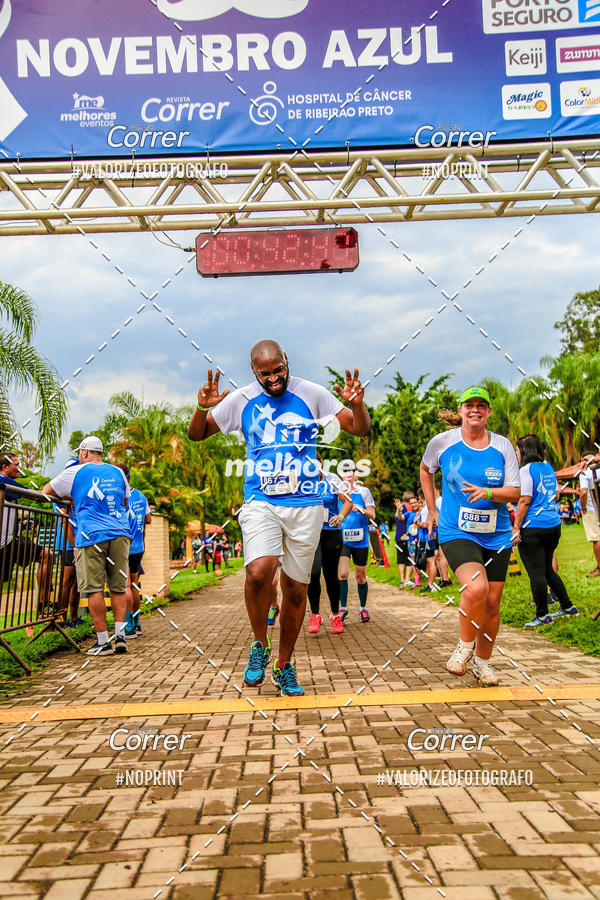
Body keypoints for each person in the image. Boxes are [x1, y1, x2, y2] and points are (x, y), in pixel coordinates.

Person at [187, 341, 370, 696]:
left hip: (306, 505)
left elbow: (358, 428)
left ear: (287, 362)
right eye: (265, 373)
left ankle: (284, 664)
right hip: (261, 500)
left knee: (296, 590)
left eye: (278, 370)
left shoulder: (312, 394)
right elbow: (198, 433)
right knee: (259, 571)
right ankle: (259, 645)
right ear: (254, 371)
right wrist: (201, 408)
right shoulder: (240, 399)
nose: (273, 379)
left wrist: (358, 405)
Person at [420, 386, 521, 686]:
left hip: (497, 533)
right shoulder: (442, 442)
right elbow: (426, 470)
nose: (475, 410)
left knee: (492, 602)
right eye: (469, 405)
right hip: (456, 530)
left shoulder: (502, 446)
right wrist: (431, 510)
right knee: (476, 589)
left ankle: (483, 662)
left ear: (489, 412)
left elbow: (515, 491)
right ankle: (465, 647)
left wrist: (488, 492)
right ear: (461, 410)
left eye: (481, 405)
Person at [42, 436, 131, 656]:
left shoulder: (74, 472)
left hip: (90, 535)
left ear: (83, 453)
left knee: (93, 588)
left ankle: (103, 641)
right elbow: (125, 502)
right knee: (118, 586)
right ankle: (120, 636)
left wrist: (74, 499)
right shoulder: (118, 472)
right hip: (120, 532)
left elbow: (46, 492)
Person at [512, 434, 576, 627]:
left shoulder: (526, 470)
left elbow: (524, 500)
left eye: (517, 449)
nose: (516, 453)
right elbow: (556, 494)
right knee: (548, 570)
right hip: (553, 525)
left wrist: (516, 527)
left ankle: (542, 614)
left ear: (525, 451)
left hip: (533, 527)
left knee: (536, 573)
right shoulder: (547, 466)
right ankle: (567, 606)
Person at [0, 453, 54, 609]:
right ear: (5, 467)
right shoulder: (3, 482)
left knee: (46, 555)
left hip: (10, 540)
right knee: (47, 556)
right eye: (16, 464)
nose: (20, 468)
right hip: (6, 542)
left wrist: (20, 523)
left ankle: (44, 603)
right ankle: (43, 604)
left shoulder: (7, 486)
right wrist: (55, 490)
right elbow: (36, 496)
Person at [307, 462, 353, 635]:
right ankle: (315, 614)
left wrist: (341, 516)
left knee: (330, 574)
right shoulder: (303, 481)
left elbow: (348, 502)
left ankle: (335, 615)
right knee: (313, 572)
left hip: (331, 532)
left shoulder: (331, 479)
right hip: (311, 533)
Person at [338, 464, 376, 623]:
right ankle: (343, 608)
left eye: (350, 471)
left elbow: (372, 514)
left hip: (360, 540)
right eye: (344, 471)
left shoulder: (364, 491)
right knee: (343, 574)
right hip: (343, 539)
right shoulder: (338, 491)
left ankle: (363, 608)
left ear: (355, 473)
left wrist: (361, 508)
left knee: (361, 577)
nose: (348, 474)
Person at [116, 464, 151, 638]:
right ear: (130, 477)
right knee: (135, 585)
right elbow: (149, 519)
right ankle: (137, 623)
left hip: (124, 546)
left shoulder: (118, 495)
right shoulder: (141, 496)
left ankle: (128, 626)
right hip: (139, 547)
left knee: (126, 586)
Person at [579, 452, 600, 577]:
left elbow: (583, 493)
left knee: (596, 539)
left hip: (591, 509)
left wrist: (583, 508)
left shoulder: (585, 472)